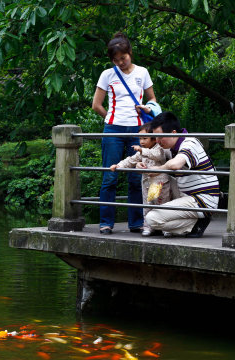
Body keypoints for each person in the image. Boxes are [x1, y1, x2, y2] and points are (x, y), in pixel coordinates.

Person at [92, 32, 158, 235]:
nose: (120, 62)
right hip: (113, 130)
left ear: (130, 53)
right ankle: (106, 223)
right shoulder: (107, 75)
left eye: (123, 57)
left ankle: (136, 223)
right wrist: (111, 119)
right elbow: (96, 105)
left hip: (137, 131)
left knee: (135, 177)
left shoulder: (143, 72)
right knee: (110, 176)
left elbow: (153, 101)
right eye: (116, 59)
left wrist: (147, 109)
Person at [144, 112, 220, 238]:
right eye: (155, 137)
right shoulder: (172, 147)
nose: (157, 141)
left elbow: (175, 164)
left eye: (159, 137)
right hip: (188, 196)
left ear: (174, 133)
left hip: (201, 200)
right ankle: (194, 224)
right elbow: (154, 157)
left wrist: (159, 169)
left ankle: (194, 223)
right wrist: (141, 165)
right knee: (154, 178)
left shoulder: (190, 143)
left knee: (152, 219)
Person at [110, 122, 171, 236]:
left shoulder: (159, 148)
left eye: (145, 138)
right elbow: (131, 160)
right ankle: (149, 226)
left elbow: (158, 155)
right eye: (140, 138)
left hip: (159, 184)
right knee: (147, 205)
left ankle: (166, 227)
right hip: (147, 184)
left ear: (154, 139)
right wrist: (119, 165)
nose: (141, 141)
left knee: (162, 204)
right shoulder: (141, 151)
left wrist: (142, 151)